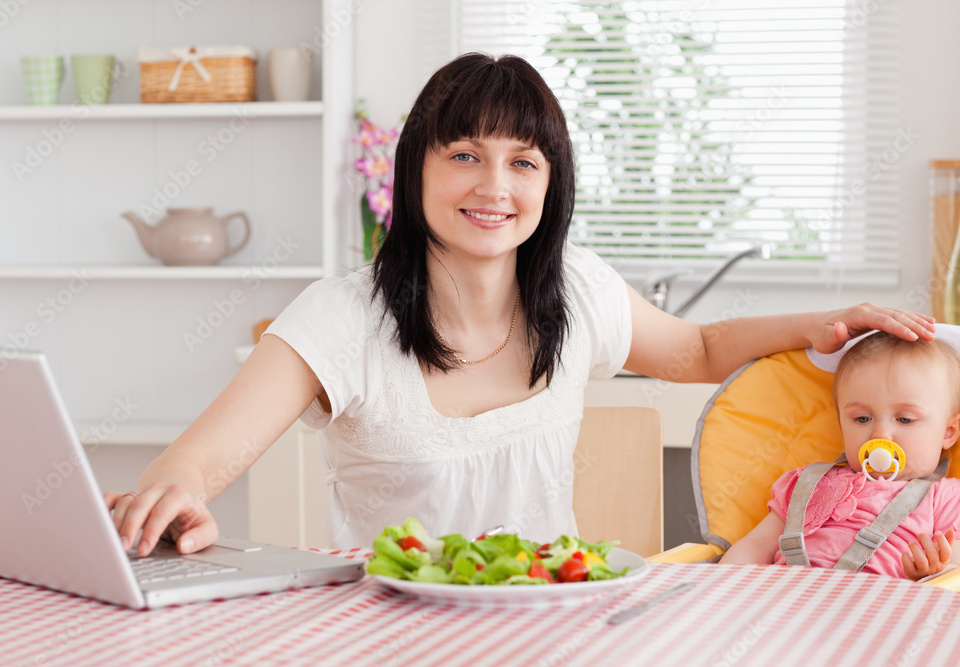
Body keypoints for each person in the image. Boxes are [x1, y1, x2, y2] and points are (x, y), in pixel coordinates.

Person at [106, 53, 936, 556]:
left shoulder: (576, 290)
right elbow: (190, 466)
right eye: (464, 153)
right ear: (415, 171)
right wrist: (170, 494)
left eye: (523, 161)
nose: (494, 187)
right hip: (383, 637)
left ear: (551, 181)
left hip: (550, 631)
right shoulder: (343, 316)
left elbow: (698, 352)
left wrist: (830, 324)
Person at [720, 332, 960, 580]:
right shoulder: (807, 482)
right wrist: (721, 584)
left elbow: (956, 571)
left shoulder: (945, 499)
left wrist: (931, 574)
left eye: (905, 419)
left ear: (948, 433)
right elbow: (755, 546)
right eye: (862, 419)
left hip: (879, 609)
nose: (880, 434)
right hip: (786, 599)